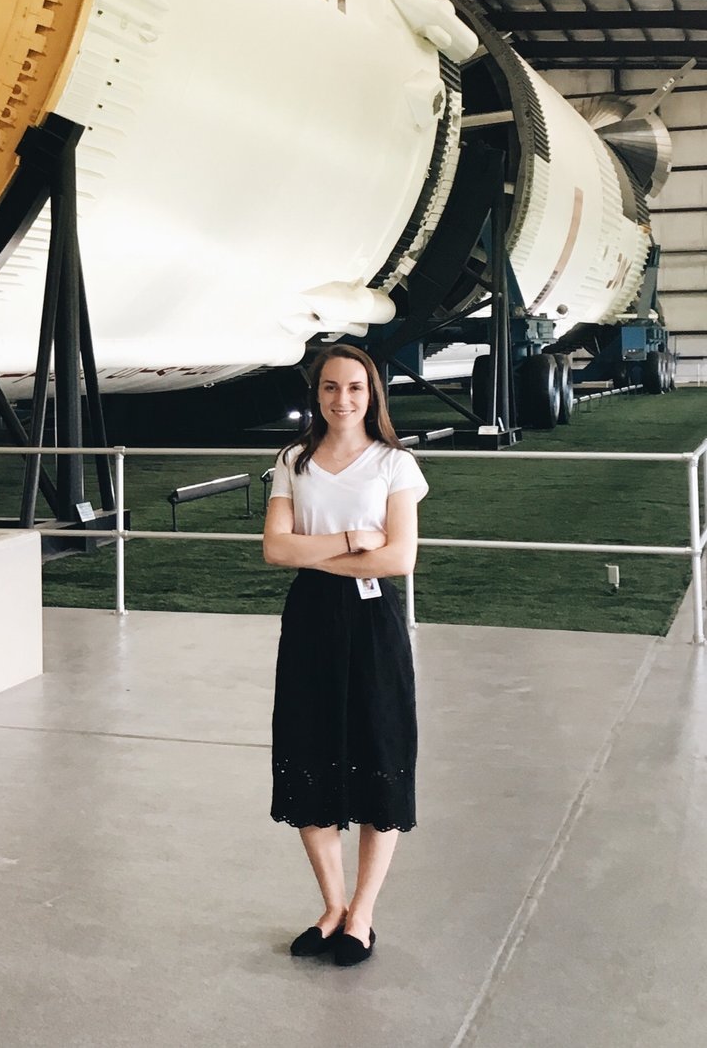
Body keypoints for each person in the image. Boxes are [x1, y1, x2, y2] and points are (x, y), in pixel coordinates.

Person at [262, 343, 428, 968]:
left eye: (354, 388)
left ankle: (363, 914)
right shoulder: (293, 461)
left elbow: (398, 561)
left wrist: (318, 551)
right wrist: (355, 539)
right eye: (330, 388)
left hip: (373, 619)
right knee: (309, 752)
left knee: (378, 752)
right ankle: (331, 906)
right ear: (317, 394)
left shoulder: (395, 464)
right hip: (310, 622)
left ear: (372, 393)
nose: (342, 399)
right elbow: (276, 551)